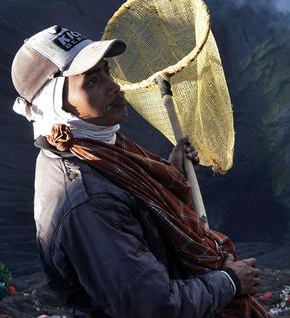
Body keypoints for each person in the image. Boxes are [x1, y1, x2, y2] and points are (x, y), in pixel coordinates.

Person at [11, 25, 270, 317]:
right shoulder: (87, 205)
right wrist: (230, 282)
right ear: (56, 104)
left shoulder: (93, 146)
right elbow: (151, 307)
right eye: (92, 81)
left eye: (106, 71)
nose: (114, 86)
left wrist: (168, 176)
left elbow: (132, 211)